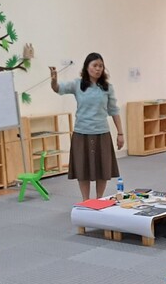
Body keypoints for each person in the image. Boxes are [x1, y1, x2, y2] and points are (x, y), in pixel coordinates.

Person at [50, 53, 123, 200]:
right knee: (83, 170)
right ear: (87, 67)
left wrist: (120, 133)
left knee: (102, 169)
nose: (98, 69)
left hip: (101, 132)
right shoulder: (77, 84)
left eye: (101, 66)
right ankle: (86, 200)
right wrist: (54, 80)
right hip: (81, 133)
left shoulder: (107, 87)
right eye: (95, 65)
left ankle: (99, 198)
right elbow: (58, 88)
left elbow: (114, 111)